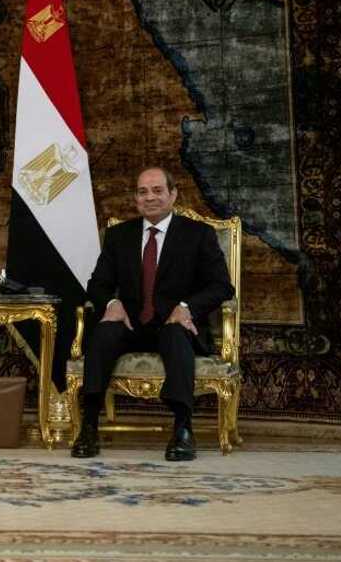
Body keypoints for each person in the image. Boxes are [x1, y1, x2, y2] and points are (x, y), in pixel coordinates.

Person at [72, 167, 234, 461]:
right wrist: (111, 303)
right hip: (131, 324)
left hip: (174, 324)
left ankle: (183, 429)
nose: (150, 198)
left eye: (158, 190)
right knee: (104, 331)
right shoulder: (119, 235)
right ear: (136, 199)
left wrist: (186, 308)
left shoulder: (198, 234)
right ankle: (89, 425)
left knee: (175, 335)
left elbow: (222, 286)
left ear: (173, 194)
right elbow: (97, 283)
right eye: (143, 192)